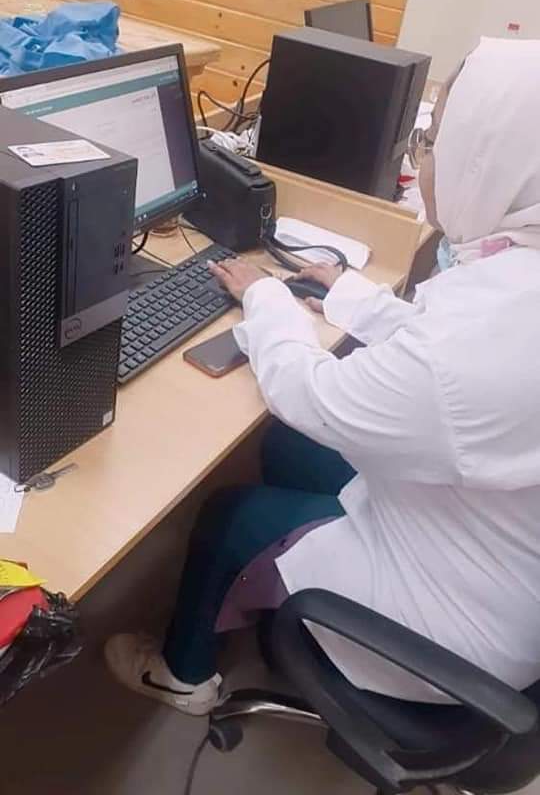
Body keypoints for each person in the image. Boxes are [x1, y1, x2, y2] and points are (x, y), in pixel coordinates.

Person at [105, 37, 540, 716]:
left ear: (485, 161)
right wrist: (350, 295)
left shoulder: (473, 340)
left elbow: (310, 392)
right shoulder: (517, 278)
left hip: (456, 628)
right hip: (488, 547)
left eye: (431, 145)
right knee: (285, 447)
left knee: (230, 511)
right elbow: (442, 352)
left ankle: (183, 677)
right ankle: (257, 582)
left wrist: (265, 296)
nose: (422, 161)